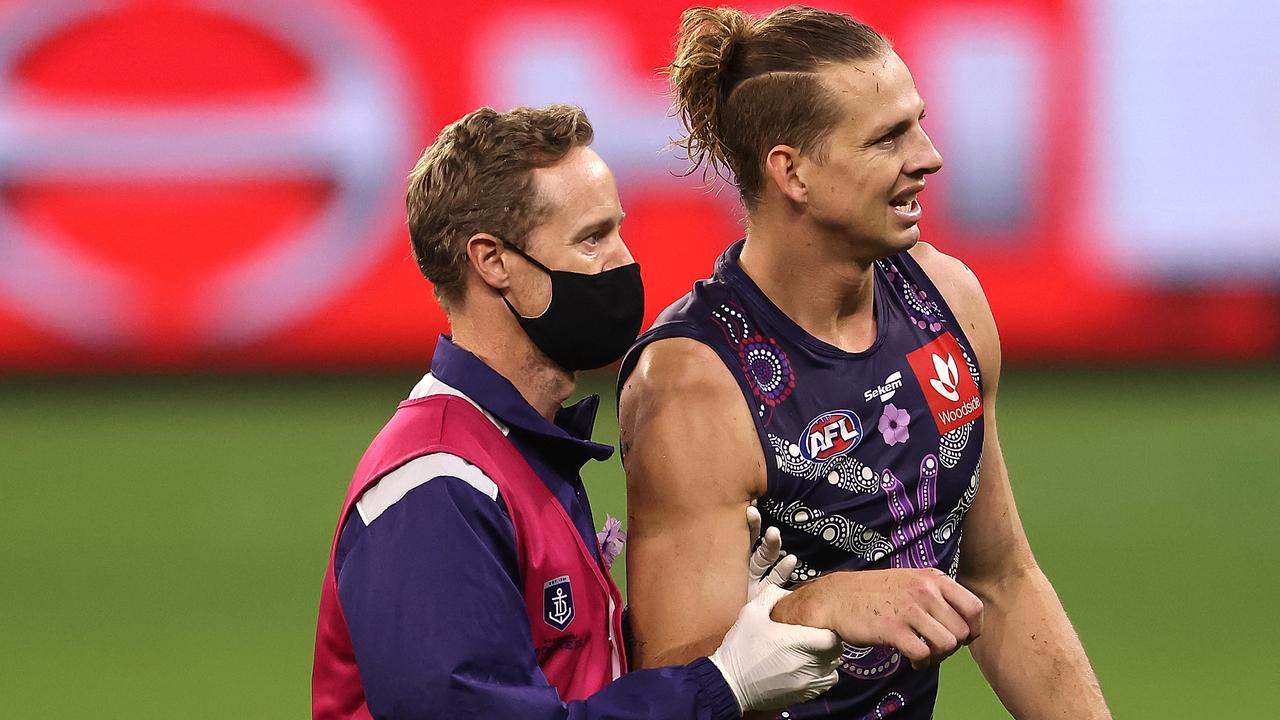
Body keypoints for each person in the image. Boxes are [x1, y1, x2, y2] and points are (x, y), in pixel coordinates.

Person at [617, 6, 1111, 719]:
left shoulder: (947, 301)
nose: (929, 155)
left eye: (917, 121)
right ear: (793, 172)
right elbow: (674, 688)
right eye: (887, 139)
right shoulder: (697, 387)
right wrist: (820, 605)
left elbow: (1000, 578)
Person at [311, 104, 844, 720]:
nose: (623, 261)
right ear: (493, 262)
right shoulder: (437, 488)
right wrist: (723, 684)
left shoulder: (516, 455)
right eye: (592, 239)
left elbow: (569, 687)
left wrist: (719, 635)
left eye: (619, 230)